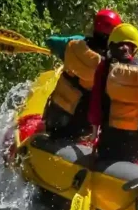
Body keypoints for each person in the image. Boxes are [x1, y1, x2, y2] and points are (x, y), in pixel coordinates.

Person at [87, 23, 138, 163]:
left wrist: (94, 136)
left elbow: (95, 107)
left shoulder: (105, 68)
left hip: (108, 147)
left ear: (111, 45)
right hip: (137, 148)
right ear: (135, 47)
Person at [40, 9, 123, 140]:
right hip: (82, 127)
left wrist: (62, 54)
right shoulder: (111, 64)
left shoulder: (74, 43)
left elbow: (50, 41)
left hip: (55, 116)